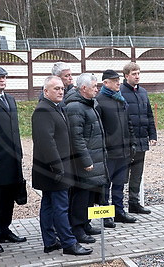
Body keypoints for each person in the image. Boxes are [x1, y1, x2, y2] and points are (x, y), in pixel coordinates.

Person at [32, 76, 92, 255]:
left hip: (55, 168)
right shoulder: (43, 111)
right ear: (45, 92)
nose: (60, 91)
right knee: (60, 207)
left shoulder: (57, 108)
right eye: (55, 89)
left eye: (61, 88)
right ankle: (69, 243)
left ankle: (50, 242)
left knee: (49, 205)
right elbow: (46, 142)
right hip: (53, 170)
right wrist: (58, 167)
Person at [0, 66, 27, 253]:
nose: (2, 80)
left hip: (12, 160)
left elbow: (15, 130)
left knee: (9, 198)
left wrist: (19, 153)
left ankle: (4, 230)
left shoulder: (9, 99)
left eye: (3, 77)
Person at [65, 73, 108, 242]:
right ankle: (77, 228)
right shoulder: (76, 107)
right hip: (85, 163)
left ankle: (86, 224)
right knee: (81, 196)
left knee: (90, 194)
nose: (97, 90)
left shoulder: (89, 104)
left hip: (95, 158)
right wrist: (86, 160)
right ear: (83, 88)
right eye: (94, 87)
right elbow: (76, 138)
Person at [96, 69, 137, 224]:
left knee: (119, 183)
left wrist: (132, 142)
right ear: (105, 83)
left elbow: (129, 123)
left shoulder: (121, 100)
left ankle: (119, 211)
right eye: (114, 81)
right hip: (108, 151)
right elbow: (98, 129)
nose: (118, 83)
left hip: (123, 150)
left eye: (118, 80)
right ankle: (105, 214)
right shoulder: (99, 101)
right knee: (105, 185)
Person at [120, 62, 157, 215]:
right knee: (122, 175)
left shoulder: (143, 92)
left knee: (137, 174)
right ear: (126, 75)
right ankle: (118, 206)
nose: (137, 76)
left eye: (138, 73)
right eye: (134, 74)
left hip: (142, 140)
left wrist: (152, 134)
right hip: (127, 142)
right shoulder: (120, 92)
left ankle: (134, 203)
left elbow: (148, 114)